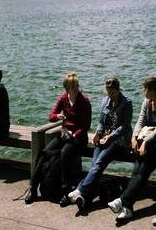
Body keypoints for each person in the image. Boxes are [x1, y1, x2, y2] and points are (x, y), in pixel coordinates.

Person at [108, 76, 156, 222]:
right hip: (149, 145)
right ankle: (127, 207)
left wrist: (144, 142)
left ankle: (123, 200)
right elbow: (140, 120)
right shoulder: (147, 102)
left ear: (152, 90)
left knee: (142, 166)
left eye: (145, 88)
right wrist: (134, 136)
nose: (143, 91)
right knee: (139, 167)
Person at [67, 76, 133, 211]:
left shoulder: (127, 102)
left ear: (118, 89)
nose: (110, 95)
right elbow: (101, 122)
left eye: (112, 92)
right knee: (95, 166)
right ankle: (84, 198)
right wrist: (98, 133)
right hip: (104, 138)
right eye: (108, 92)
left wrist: (111, 136)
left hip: (119, 140)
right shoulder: (105, 101)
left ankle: (80, 190)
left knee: (98, 163)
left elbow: (125, 127)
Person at [28, 72, 92, 204]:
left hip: (78, 138)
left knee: (65, 153)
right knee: (44, 153)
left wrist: (74, 135)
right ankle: (33, 187)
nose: (75, 88)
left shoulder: (84, 101)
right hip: (65, 134)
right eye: (72, 86)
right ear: (67, 88)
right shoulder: (63, 98)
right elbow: (51, 116)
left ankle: (66, 191)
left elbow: (86, 125)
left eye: (76, 85)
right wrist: (57, 116)